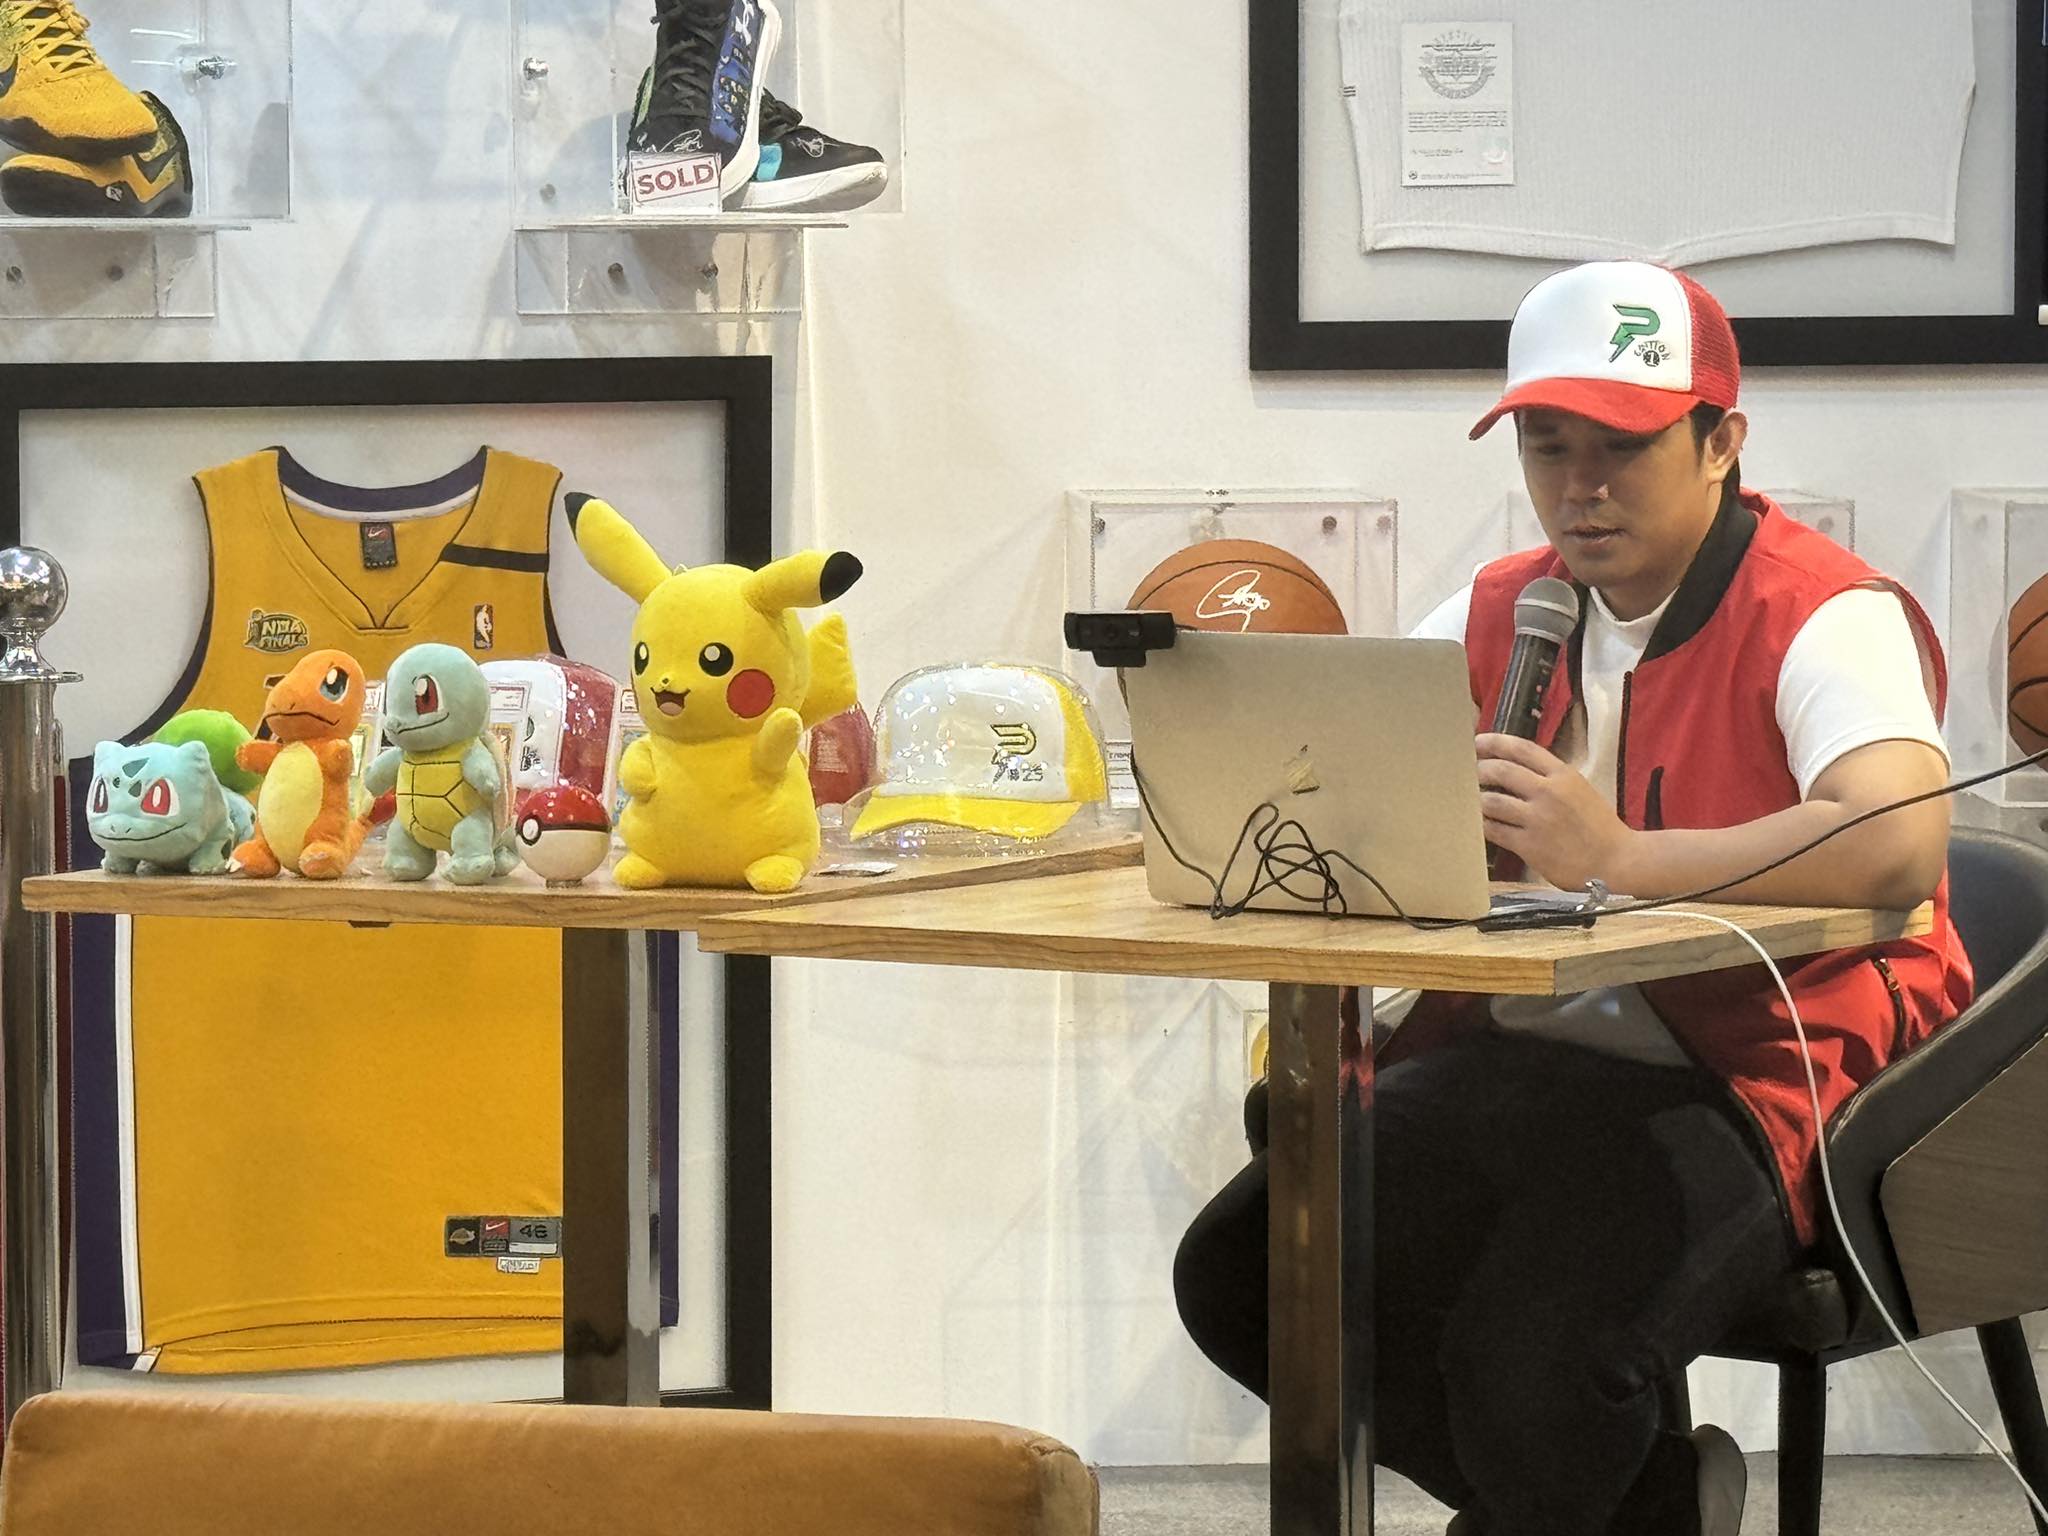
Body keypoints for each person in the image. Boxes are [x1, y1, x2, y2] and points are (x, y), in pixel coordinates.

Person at [1171, 260, 1972, 1536]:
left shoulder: (1823, 611)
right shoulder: (1501, 607)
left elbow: (1893, 844)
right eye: (1547, 447)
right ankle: (1650, 1506)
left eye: (1621, 447)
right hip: (1518, 1053)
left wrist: (1620, 856)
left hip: (1753, 1069)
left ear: (1720, 443)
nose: (1579, 487)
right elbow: (1335, 793)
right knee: (1248, 1275)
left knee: (1533, 1367)